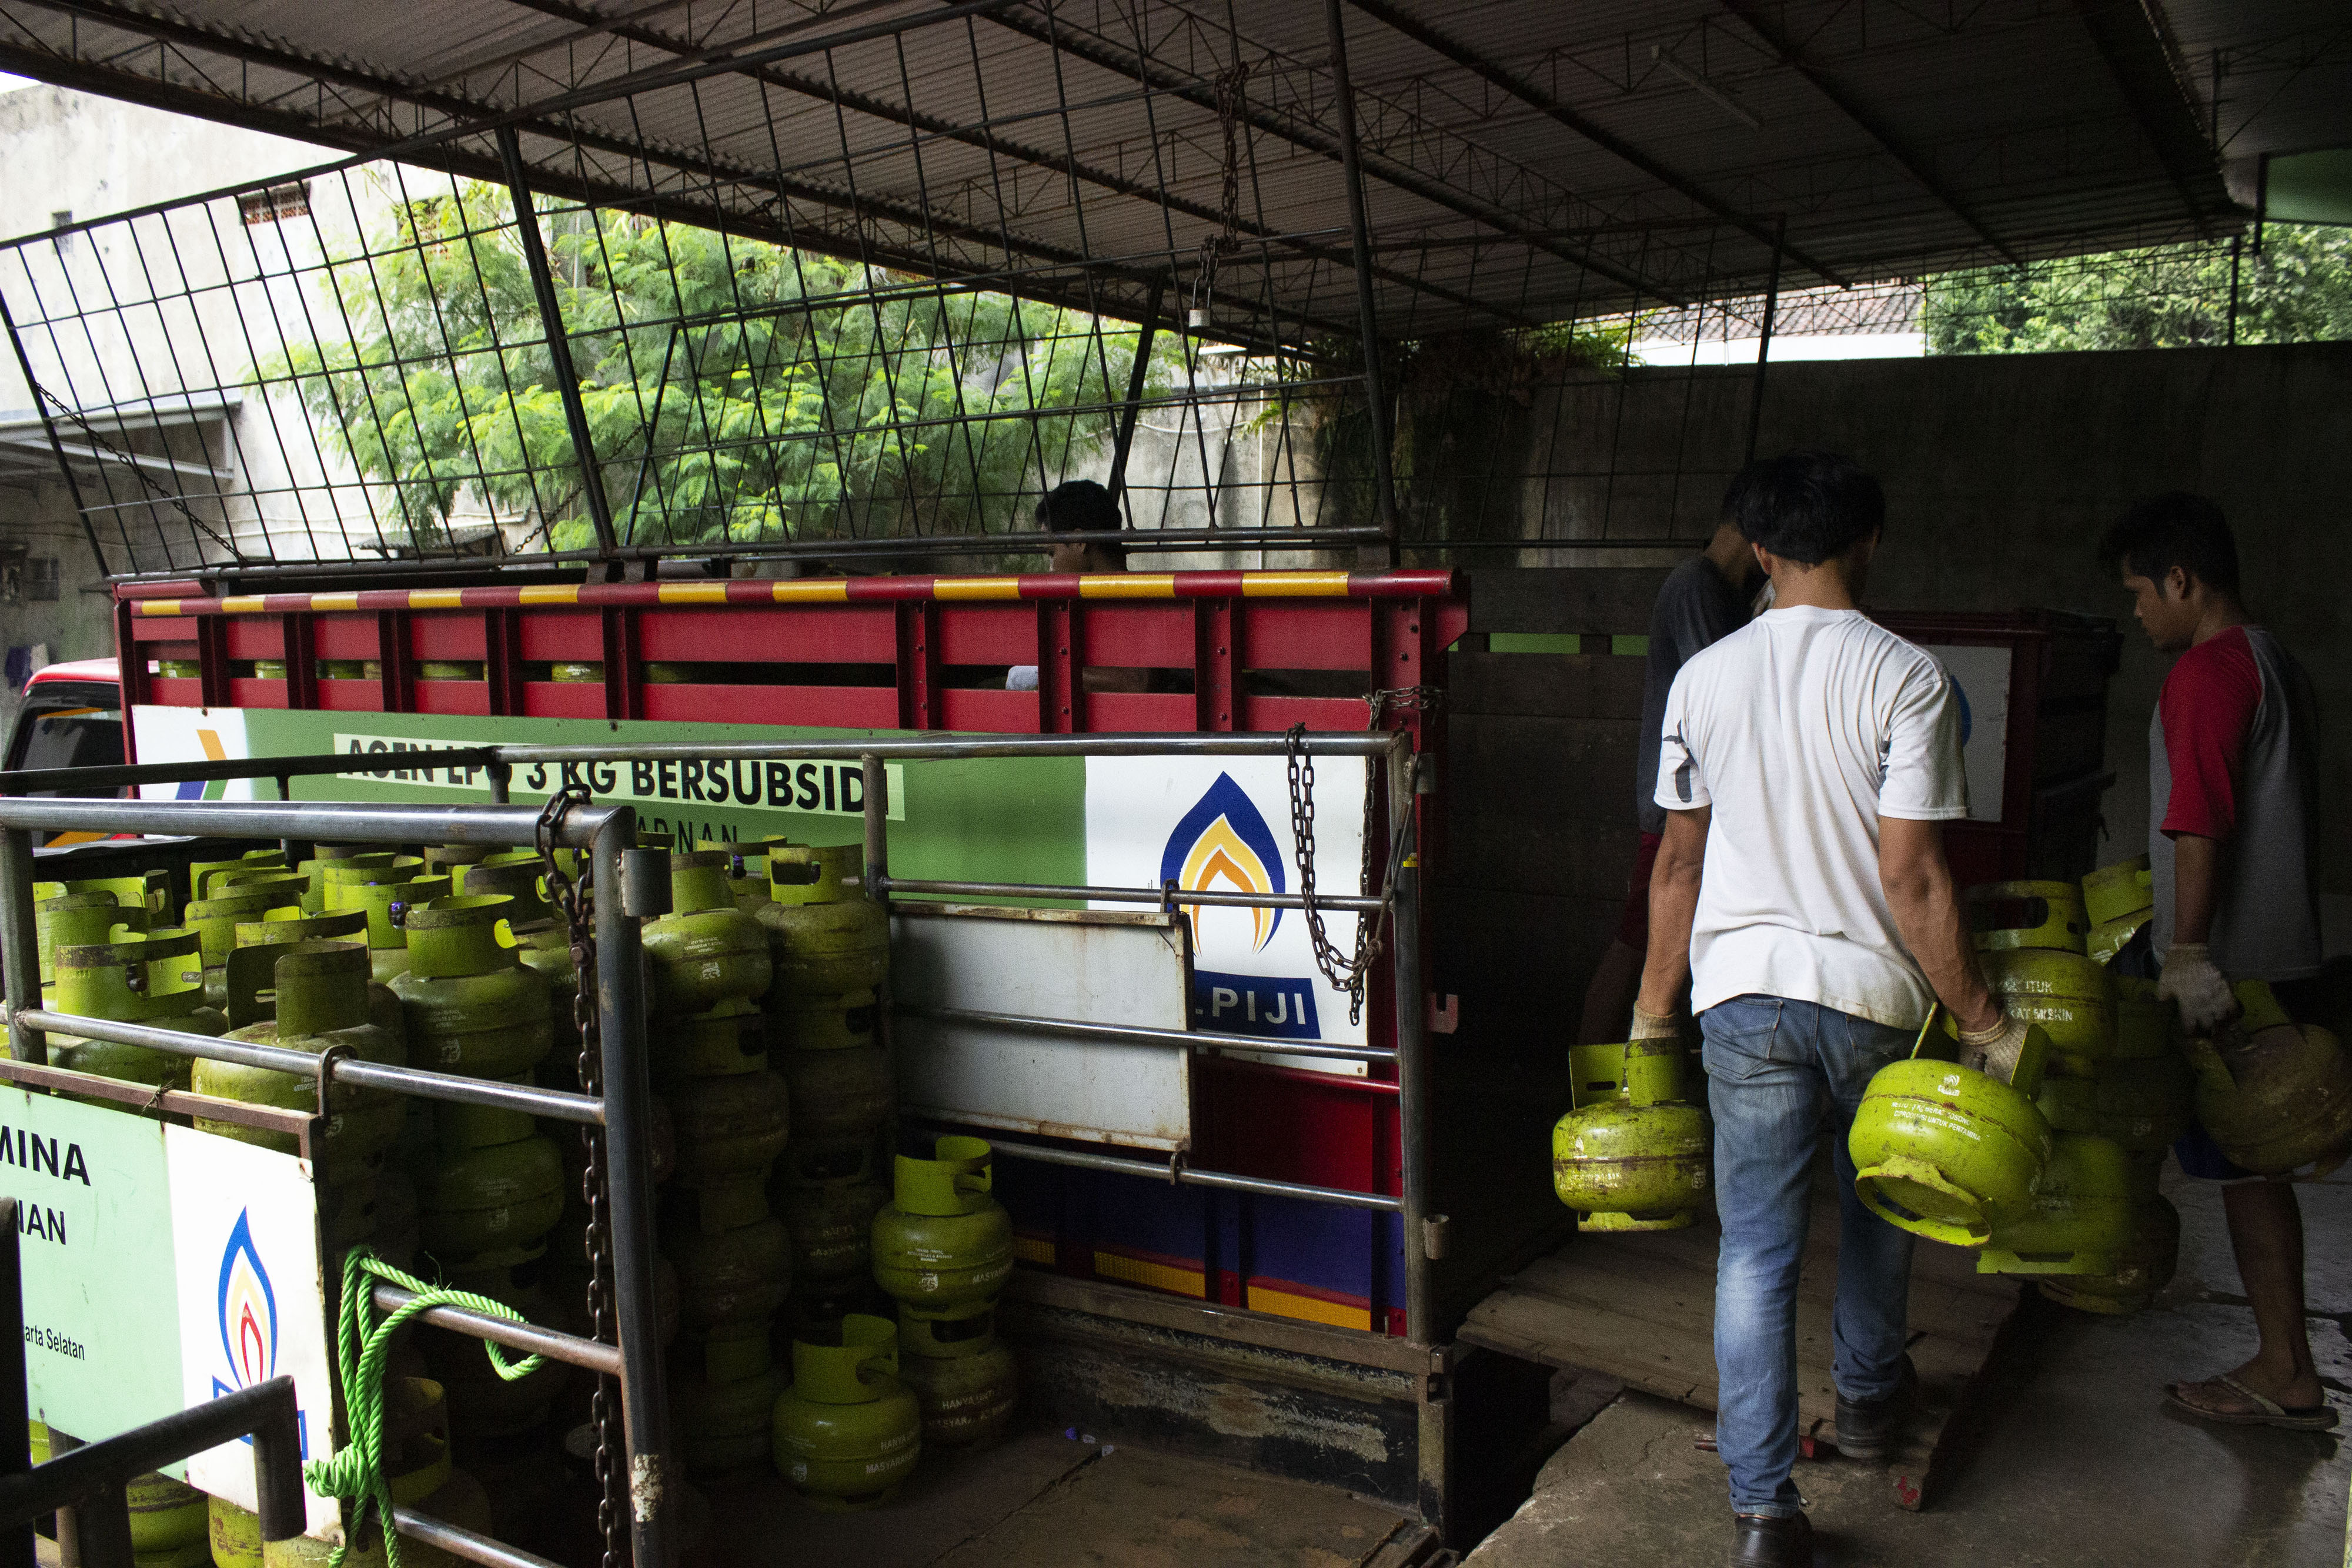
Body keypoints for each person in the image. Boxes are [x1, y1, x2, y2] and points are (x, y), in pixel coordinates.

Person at [1633, 450, 2028, 1568]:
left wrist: (1655, 1012)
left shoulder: (1703, 679)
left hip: (1742, 999)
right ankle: (1864, 1404)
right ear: (1869, 542)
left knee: (1754, 1253)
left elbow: (1678, 861)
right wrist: (1987, 1022)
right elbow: (1914, 878)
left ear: (1758, 550)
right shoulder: (1906, 675)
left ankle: (1764, 1510)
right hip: (1870, 998)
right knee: (1883, 1204)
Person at [2097, 494, 2333, 1432]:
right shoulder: (2275, 660)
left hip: (2232, 970)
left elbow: (2200, 817)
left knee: (2241, 1169)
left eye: (2139, 593)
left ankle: (2285, 1366)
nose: (2138, 612)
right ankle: (2290, 1363)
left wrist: (2186, 953)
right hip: (2281, 954)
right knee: (2254, 1169)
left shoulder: (2206, 670)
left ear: (2182, 581)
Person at [1576, 466, 1766, 1044]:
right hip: (1677, 813)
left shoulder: (1722, 592)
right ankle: (1586, 1079)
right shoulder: (1696, 585)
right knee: (1638, 947)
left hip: (1698, 811)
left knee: (1658, 950)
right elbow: (1731, 688)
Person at [1010, 480, 1146, 694]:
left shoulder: (1137, 600)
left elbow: (1137, 681)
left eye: (1052, 554)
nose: (1051, 569)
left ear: (1079, 541)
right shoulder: (1097, 602)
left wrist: (1045, 674)